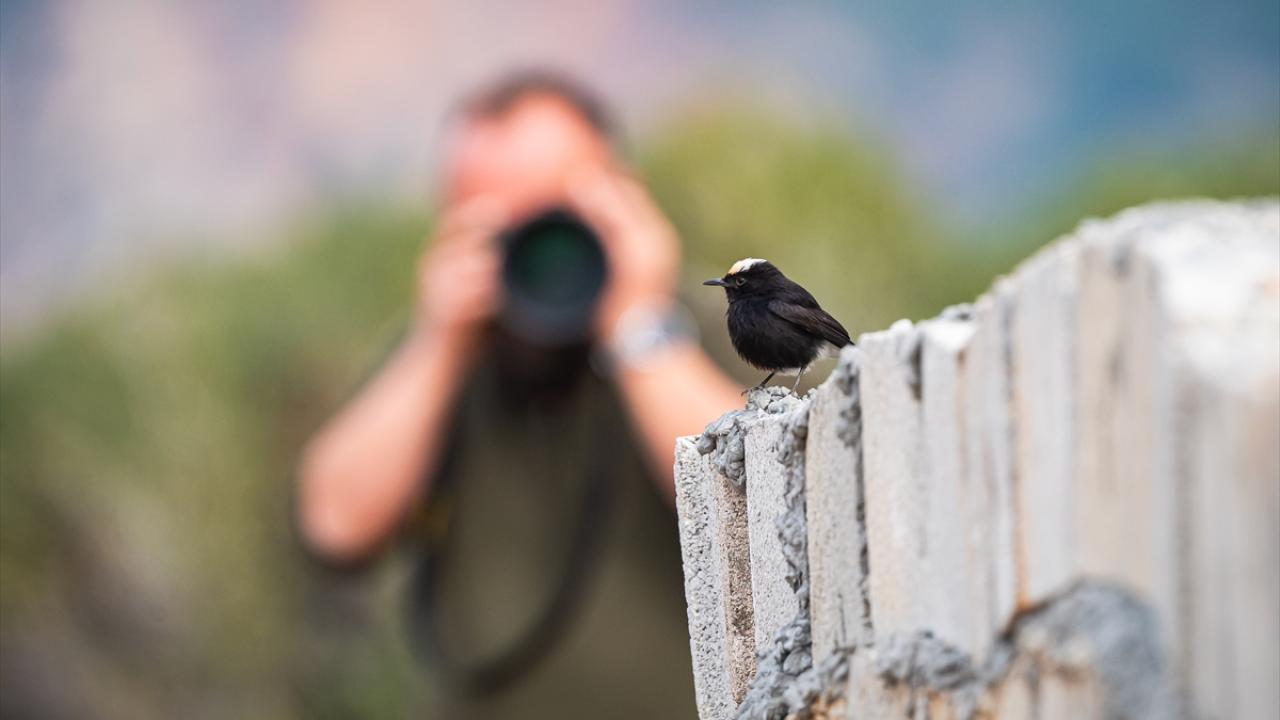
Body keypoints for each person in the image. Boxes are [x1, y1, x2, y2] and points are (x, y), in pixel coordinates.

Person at [295, 72, 742, 718]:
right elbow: (334, 527)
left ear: (621, 203)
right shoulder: (441, 360)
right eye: (498, 228)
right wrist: (439, 342)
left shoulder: (676, 338)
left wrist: (638, 329)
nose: (539, 255)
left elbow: (751, 500)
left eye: (555, 219)